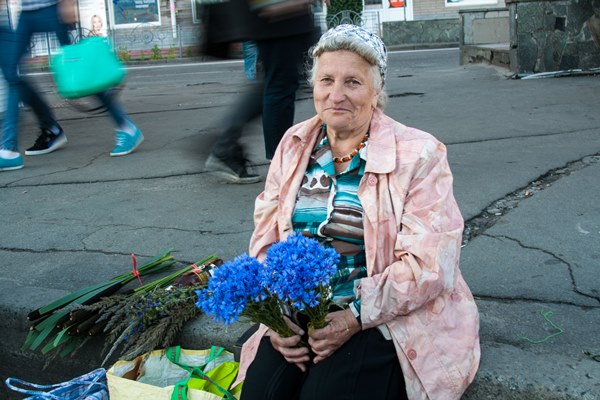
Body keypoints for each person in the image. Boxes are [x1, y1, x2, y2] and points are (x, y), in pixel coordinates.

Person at [235, 25, 480, 399]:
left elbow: (430, 264)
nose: (336, 95)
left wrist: (354, 315)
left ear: (377, 91)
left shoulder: (419, 153)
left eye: (352, 82)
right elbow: (266, 235)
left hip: (381, 315)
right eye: (326, 80)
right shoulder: (293, 143)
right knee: (262, 395)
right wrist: (274, 319)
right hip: (299, 308)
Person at [0, 0, 143, 171]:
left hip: (53, 8)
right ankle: (11, 148)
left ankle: (126, 127)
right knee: (13, 74)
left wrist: (67, 2)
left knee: (80, 74)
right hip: (27, 12)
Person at [203, 0, 316, 183]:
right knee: (279, 88)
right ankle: (278, 162)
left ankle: (225, 148)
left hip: (284, 18)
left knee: (276, 86)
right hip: (278, 16)